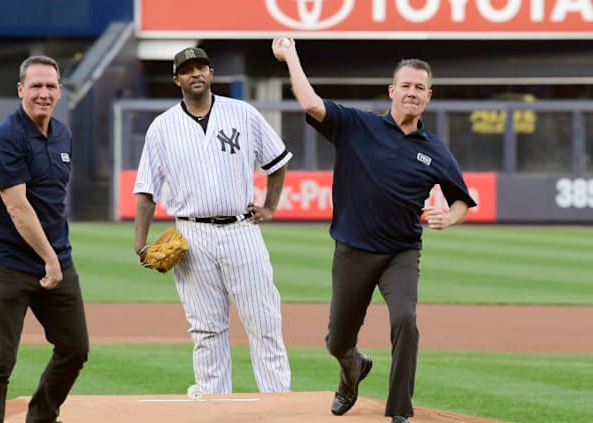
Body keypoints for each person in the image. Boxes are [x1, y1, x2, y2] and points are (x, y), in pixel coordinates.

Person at [272, 38, 476, 423]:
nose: (412, 93)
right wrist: (291, 57)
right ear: (392, 90)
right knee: (337, 342)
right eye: (406, 86)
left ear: (428, 96)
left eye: (420, 88)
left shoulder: (435, 150)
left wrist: (451, 217)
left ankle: (399, 411)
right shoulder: (357, 126)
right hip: (352, 249)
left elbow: (461, 200)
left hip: (401, 252)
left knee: (405, 321)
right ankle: (352, 369)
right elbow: (312, 104)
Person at [133, 47, 293, 394]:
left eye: (201, 67)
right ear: (177, 78)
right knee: (206, 328)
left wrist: (269, 207)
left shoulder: (242, 113)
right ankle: (213, 404)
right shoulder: (162, 127)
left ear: (211, 72)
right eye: (187, 69)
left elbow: (277, 161)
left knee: (264, 321)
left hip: (240, 230)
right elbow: (147, 189)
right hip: (191, 235)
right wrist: (139, 243)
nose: (196, 74)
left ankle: (279, 403)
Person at [0, 55, 89, 423]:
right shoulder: (6, 136)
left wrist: (57, 258)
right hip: (6, 263)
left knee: (74, 348)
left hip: (57, 258)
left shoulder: (62, 134)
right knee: (0, 359)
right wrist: (50, 259)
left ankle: (40, 415)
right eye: (36, 86)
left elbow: (53, 199)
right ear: (21, 89)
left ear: (60, 91)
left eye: (51, 86)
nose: (44, 93)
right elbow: (18, 207)